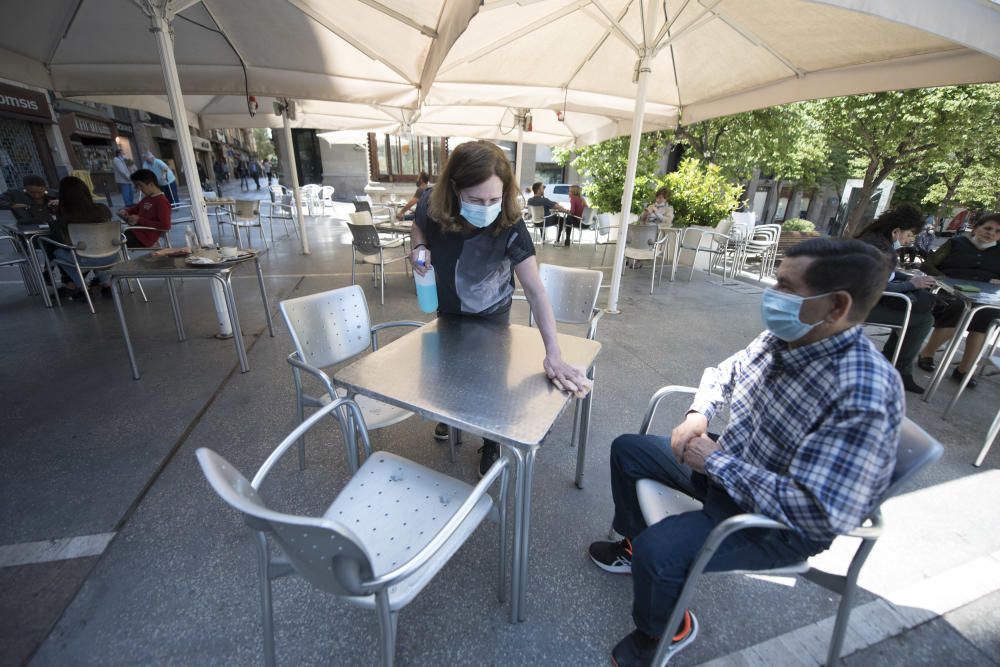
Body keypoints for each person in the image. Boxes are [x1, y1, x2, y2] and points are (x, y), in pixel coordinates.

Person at [587, 238, 902, 667]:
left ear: (836, 306)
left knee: (660, 551)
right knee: (629, 450)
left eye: (786, 286)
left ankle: (664, 630)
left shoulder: (863, 392)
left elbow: (818, 510)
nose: (773, 294)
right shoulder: (785, 339)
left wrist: (715, 461)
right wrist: (700, 412)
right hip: (729, 472)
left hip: (775, 524)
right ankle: (633, 545)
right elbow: (725, 372)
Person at [409, 141, 592, 475]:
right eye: (476, 200)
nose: (486, 207)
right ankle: (450, 418)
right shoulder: (433, 204)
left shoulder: (509, 223)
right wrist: (419, 247)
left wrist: (554, 352)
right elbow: (419, 225)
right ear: (454, 189)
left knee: (491, 381)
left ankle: (491, 440)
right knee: (448, 369)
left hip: (492, 311)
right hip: (448, 306)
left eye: (494, 199)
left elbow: (535, 290)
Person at [855, 203, 937, 394]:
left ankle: (892, 363)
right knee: (924, 320)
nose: (909, 241)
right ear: (896, 231)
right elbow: (874, 285)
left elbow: (888, 276)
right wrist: (912, 284)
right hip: (860, 306)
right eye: (909, 235)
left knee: (918, 315)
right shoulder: (877, 249)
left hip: (864, 301)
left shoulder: (877, 243)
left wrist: (911, 279)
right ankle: (898, 370)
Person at [917, 213, 1000, 388]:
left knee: (988, 315)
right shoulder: (956, 243)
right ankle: (927, 353)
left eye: (997, 231)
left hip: (984, 296)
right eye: (987, 228)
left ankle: (964, 370)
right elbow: (928, 264)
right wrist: (943, 279)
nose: (991, 233)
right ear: (976, 228)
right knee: (958, 308)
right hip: (949, 291)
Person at [50, 176, 119, 299]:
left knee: (58, 252)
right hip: (112, 256)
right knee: (98, 249)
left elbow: (63, 241)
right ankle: (107, 284)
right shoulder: (102, 209)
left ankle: (82, 287)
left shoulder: (64, 215)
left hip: (85, 260)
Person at [118, 169, 171, 248]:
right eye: (137, 186)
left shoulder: (161, 201)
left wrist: (139, 220)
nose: (139, 188)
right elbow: (134, 209)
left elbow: (165, 226)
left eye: (141, 185)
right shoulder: (147, 198)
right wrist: (125, 211)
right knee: (112, 237)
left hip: (145, 238)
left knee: (114, 242)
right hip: (135, 232)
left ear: (151, 184)